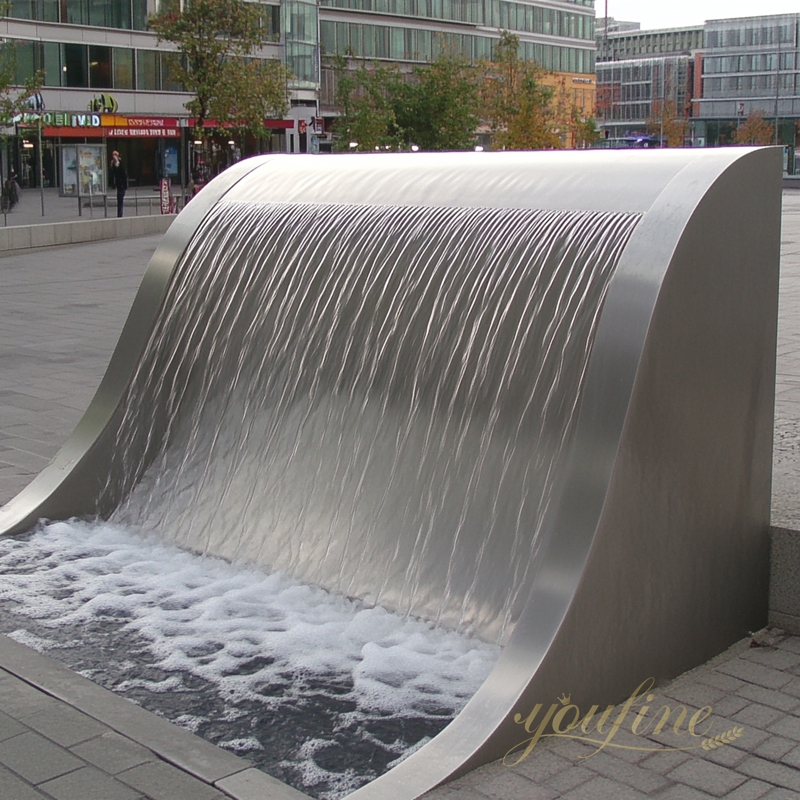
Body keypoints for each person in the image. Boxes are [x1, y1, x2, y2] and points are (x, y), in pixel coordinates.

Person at [110, 150, 128, 217]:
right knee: (119, 199)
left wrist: (125, 185)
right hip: (118, 184)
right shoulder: (113, 164)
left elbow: (123, 173)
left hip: (121, 184)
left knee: (120, 198)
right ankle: (119, 213)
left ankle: (120, 214)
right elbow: (113, 174)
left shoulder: (120, 163)